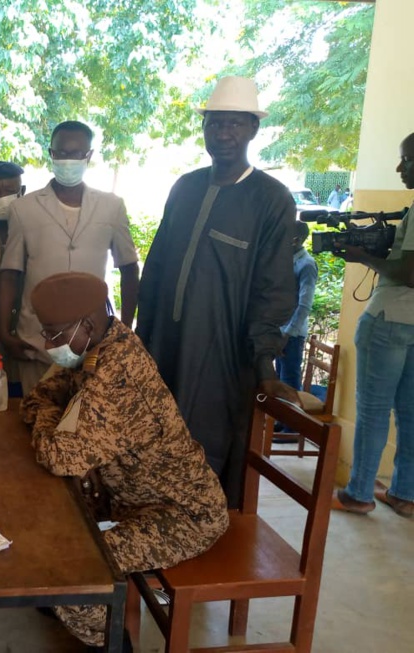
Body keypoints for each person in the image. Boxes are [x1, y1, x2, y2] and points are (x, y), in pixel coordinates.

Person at [22, 272, 229, 651]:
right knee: (42, 523)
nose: (47, 343)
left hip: (183, 513)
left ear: (85, 325)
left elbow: (59, 455)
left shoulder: (119, 373)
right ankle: (64, 605)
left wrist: (49, 423)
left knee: (78, 571)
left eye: (52, 333)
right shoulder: (94, 346)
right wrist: (51, 421)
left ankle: (113, 641)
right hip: (128, 496)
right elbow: (36, 399)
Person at [136, 76, 299, 507]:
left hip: (224, 356)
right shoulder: (185, 187)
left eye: (234, 125)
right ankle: (154, 526)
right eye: (215, 124)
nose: (223, 134)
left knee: (209, 445)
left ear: (253, 130)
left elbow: (274, 287)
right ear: (204, 128)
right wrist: (141, 337)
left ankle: (204, 537)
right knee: (154, 435)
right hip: (164, 346)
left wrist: (264, 362)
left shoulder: (271, 199)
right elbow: (156, 267)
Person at [0, 120, 139, 395]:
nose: (68, 160)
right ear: (51, 153)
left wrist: (126, 329)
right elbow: (10, 274)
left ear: (89, 156)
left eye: (76, 154)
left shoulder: (111, 207)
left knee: (85, 426)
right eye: (62, 153)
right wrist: (5, 332)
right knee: (35, 420)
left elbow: (129, 269)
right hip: (37, 342)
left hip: (92, 342)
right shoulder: (23, 209)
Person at [332, 133, 414, 518]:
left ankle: (360, 493)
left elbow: (410, 271)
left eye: (406, 160)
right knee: (411, 413)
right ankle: (404, 493)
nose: (400, 168)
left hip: (389, 319)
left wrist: (363, 256)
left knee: (373, 410)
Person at [0, 160, 26, 393]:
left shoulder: (33, 229)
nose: (2, 199)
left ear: (22, 192)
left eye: (10, 192)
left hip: (24, 326)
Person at [276, 221, 319, 391]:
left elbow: (304, 305)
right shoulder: (289, 260)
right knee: (279, 385)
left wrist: (286, 335)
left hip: (291, 336)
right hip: (281, 332)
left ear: (296, 239)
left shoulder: (306, 265)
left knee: (289, 387)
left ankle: (288, 419)